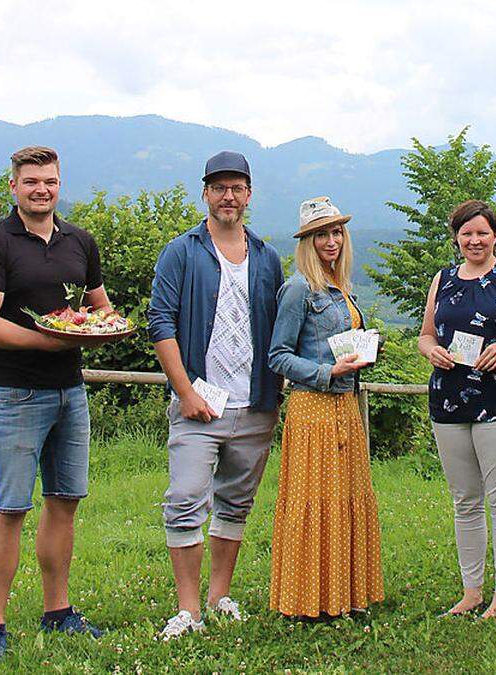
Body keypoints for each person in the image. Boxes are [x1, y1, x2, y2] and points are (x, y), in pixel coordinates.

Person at [0, 146, 109, 661]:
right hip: (17, 391)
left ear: (59, 183)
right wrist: (47, 340)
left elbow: (99, 307)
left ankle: (58, 611)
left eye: (49, 181)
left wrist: (96, 327)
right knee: (10, 508)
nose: (41, 189)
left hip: (71, 390)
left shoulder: (80, 242)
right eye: (31, 182)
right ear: (14, 187)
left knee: (65, 502)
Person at [147, 151, 285, 639]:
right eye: (219, 187)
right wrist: (184, 392)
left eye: (237, 188)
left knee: (235, 505)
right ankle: (189, 610)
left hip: (254, 405)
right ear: (205, 193)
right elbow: (160, 321)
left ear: (249, 194)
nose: (229, 196)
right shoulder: (181, 251)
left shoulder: (267, 256)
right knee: (185, 499)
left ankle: (219, 595)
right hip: (198, 402)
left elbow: (281, 329)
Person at [417, 199, 496, 620]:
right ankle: (471, 590)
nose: (475, 240)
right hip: (450, 398)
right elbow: (425, 334)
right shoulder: (443, 279)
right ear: (456, 238)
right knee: (464, 499)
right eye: (467, 233)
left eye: (482, 233)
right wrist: (432, 351)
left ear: (495, 236)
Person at [267, 196, 385, 617]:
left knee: (345, 499)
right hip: (313, 409)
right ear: (308, 241)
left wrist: (368, 351)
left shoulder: (341, 288)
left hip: (345, 408)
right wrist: (326, 372)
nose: (331, 240)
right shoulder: (299, 288)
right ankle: (307, 599)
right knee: (314, 502)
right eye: (321, 234)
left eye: (336, 232)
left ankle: (345, 596)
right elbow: (277, 356)